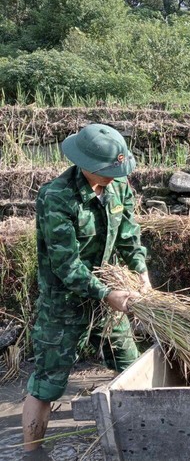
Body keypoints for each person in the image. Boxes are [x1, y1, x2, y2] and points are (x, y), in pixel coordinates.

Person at [22, 124, 150, 459]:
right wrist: (107, 294)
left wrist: (142, 275)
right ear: (85, 164)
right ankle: (31, 454)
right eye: (109, 170)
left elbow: (129, 239)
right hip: (63, 306)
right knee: (46, 385)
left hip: (108, 303)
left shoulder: (119, 189)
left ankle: (143, 444)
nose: (114, 175)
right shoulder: (57, 197)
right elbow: (66, 266)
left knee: (132, 369)